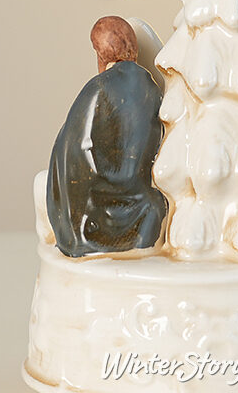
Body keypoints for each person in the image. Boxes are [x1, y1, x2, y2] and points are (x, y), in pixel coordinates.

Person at [46, 16, 167, 257]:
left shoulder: (98, 89)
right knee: (155, 205)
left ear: (100, 53)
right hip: (134, 197)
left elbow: (74, 149)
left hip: (91, 210)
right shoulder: (151, 89)